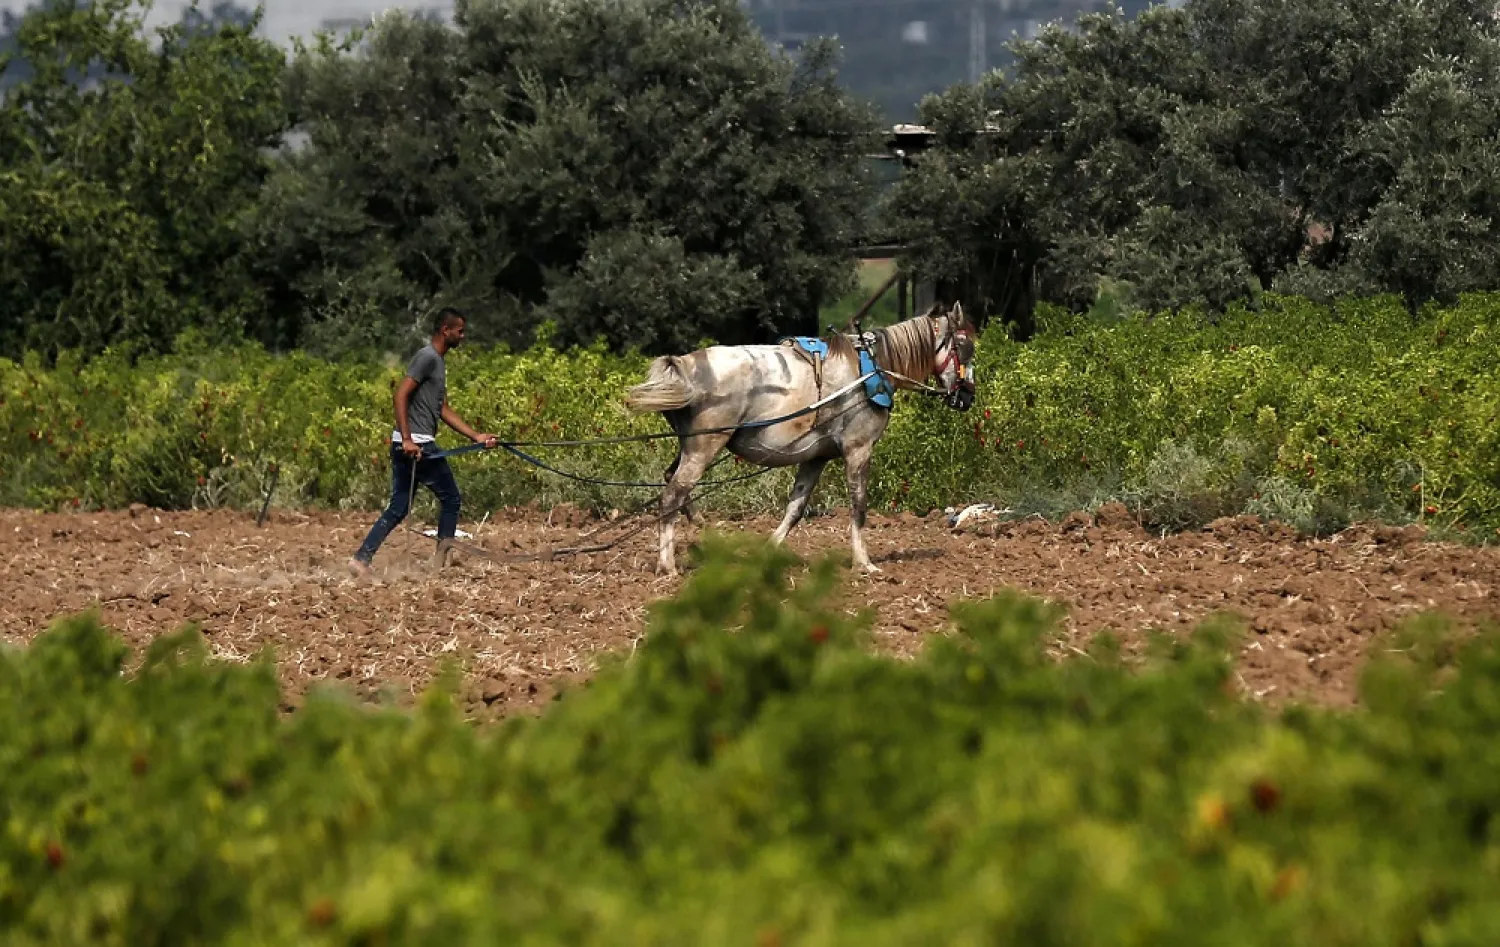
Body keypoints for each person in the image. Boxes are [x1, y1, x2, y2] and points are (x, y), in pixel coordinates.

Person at [348, 308, 498, 576]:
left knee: (399, 507)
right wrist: (407, 439)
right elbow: (400, 395)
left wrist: (476, 436)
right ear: (445, 330)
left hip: (412, 443)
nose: (463, 336)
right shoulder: (427, 357)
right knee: (451, 499)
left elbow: (442, 409)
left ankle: (361, 560)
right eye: (459, 331)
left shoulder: (438, 362)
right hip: (417, 444)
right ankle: (439, 565)